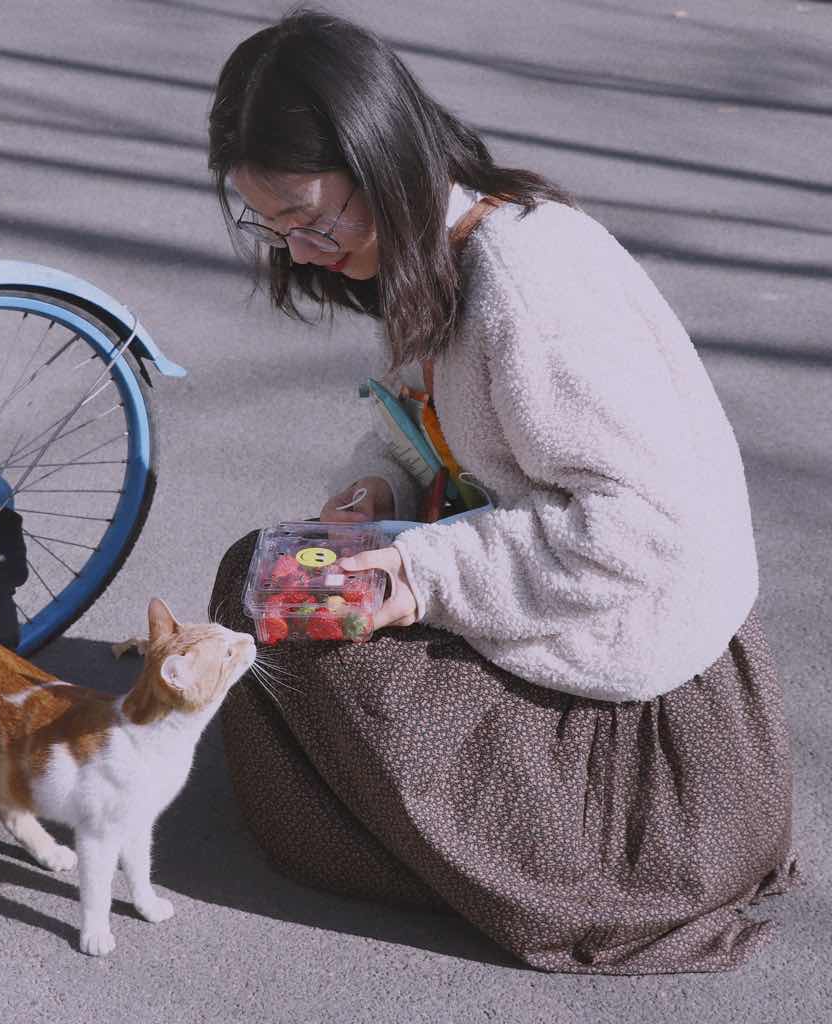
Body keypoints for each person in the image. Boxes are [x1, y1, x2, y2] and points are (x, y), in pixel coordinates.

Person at [206, 8, 797, 974]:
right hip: (575, 621)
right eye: (270, 228)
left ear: (383, 161)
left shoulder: (526, 290)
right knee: (277, 579)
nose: (298, 253)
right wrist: (376, 490)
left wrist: (419, 572)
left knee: (286, 623)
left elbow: (640, 529)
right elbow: (431, 421)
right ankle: (424, 837)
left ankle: (541, 869)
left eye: (310, 221)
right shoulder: (443, 245)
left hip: (654, 731)